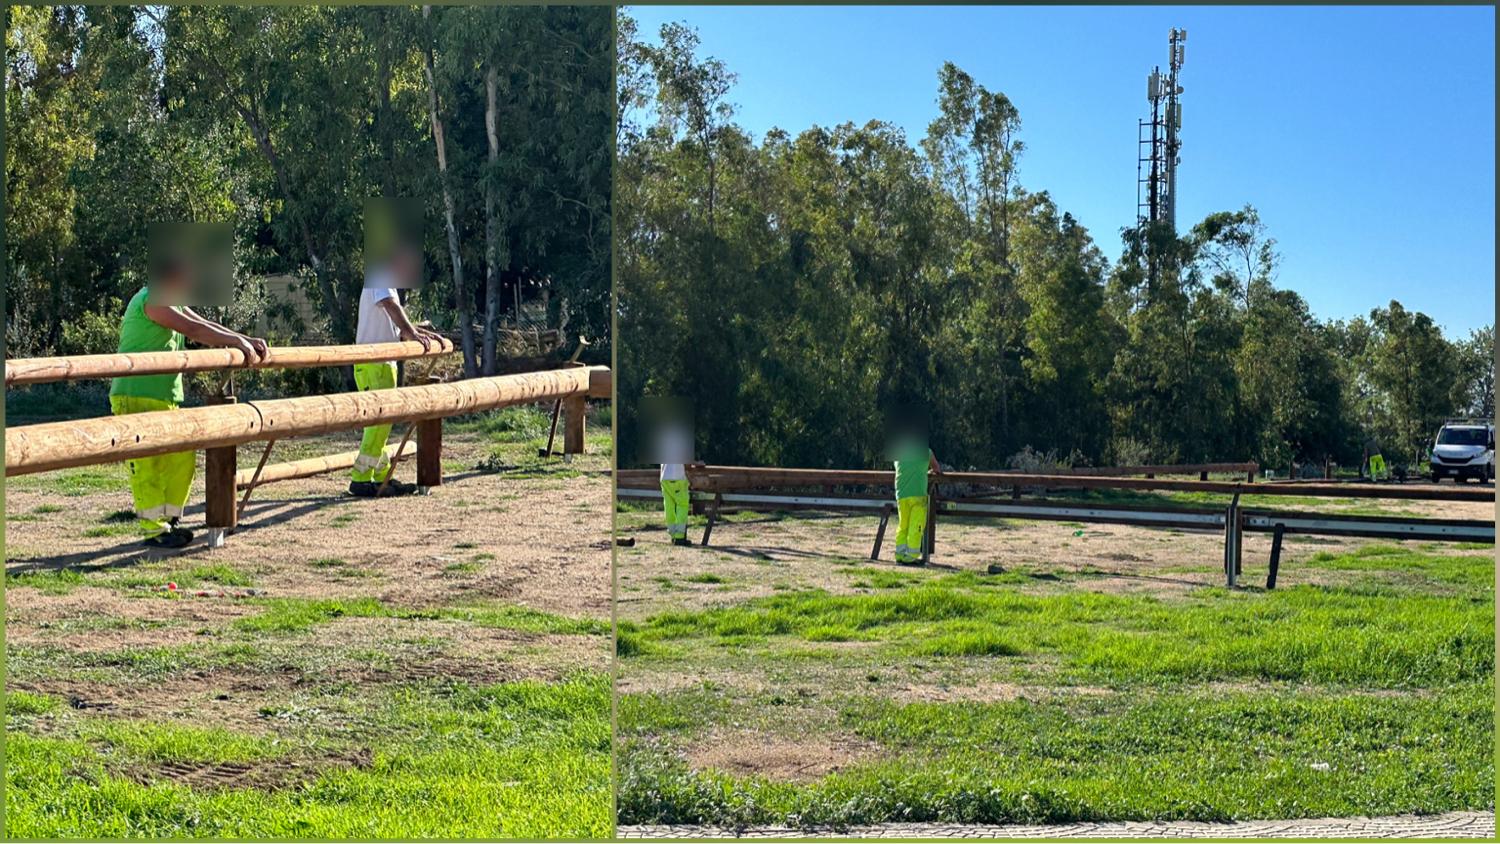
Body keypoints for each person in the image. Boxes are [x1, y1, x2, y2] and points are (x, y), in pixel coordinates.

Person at [110, 254, 268, 549]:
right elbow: (194, 331)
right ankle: (154, 528)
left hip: (164, 395)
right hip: (136, 393)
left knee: (181, 457)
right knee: (148, 464)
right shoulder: (154, 300)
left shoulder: (174, 300)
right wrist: (238, 343)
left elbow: (203, 322)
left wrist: (244, 339)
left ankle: (168, 521)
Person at [349, 243, 446, 498]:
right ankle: (361, 479)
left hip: (381, 363)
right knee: (378, 422)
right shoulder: (380, 276)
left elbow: (392, 318)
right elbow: (390, 306)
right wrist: (410, 331)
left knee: (382, 423)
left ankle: (380, 476)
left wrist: (415, 331)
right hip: (375, 364)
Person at [892, 435, 941, 566]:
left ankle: (900, 553)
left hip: (901, 493)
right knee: (916, 525)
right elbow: (937, 469)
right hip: (918, 493)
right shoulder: (926, 452)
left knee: (903, 525)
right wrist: (926, 470)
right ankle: (911, 556)